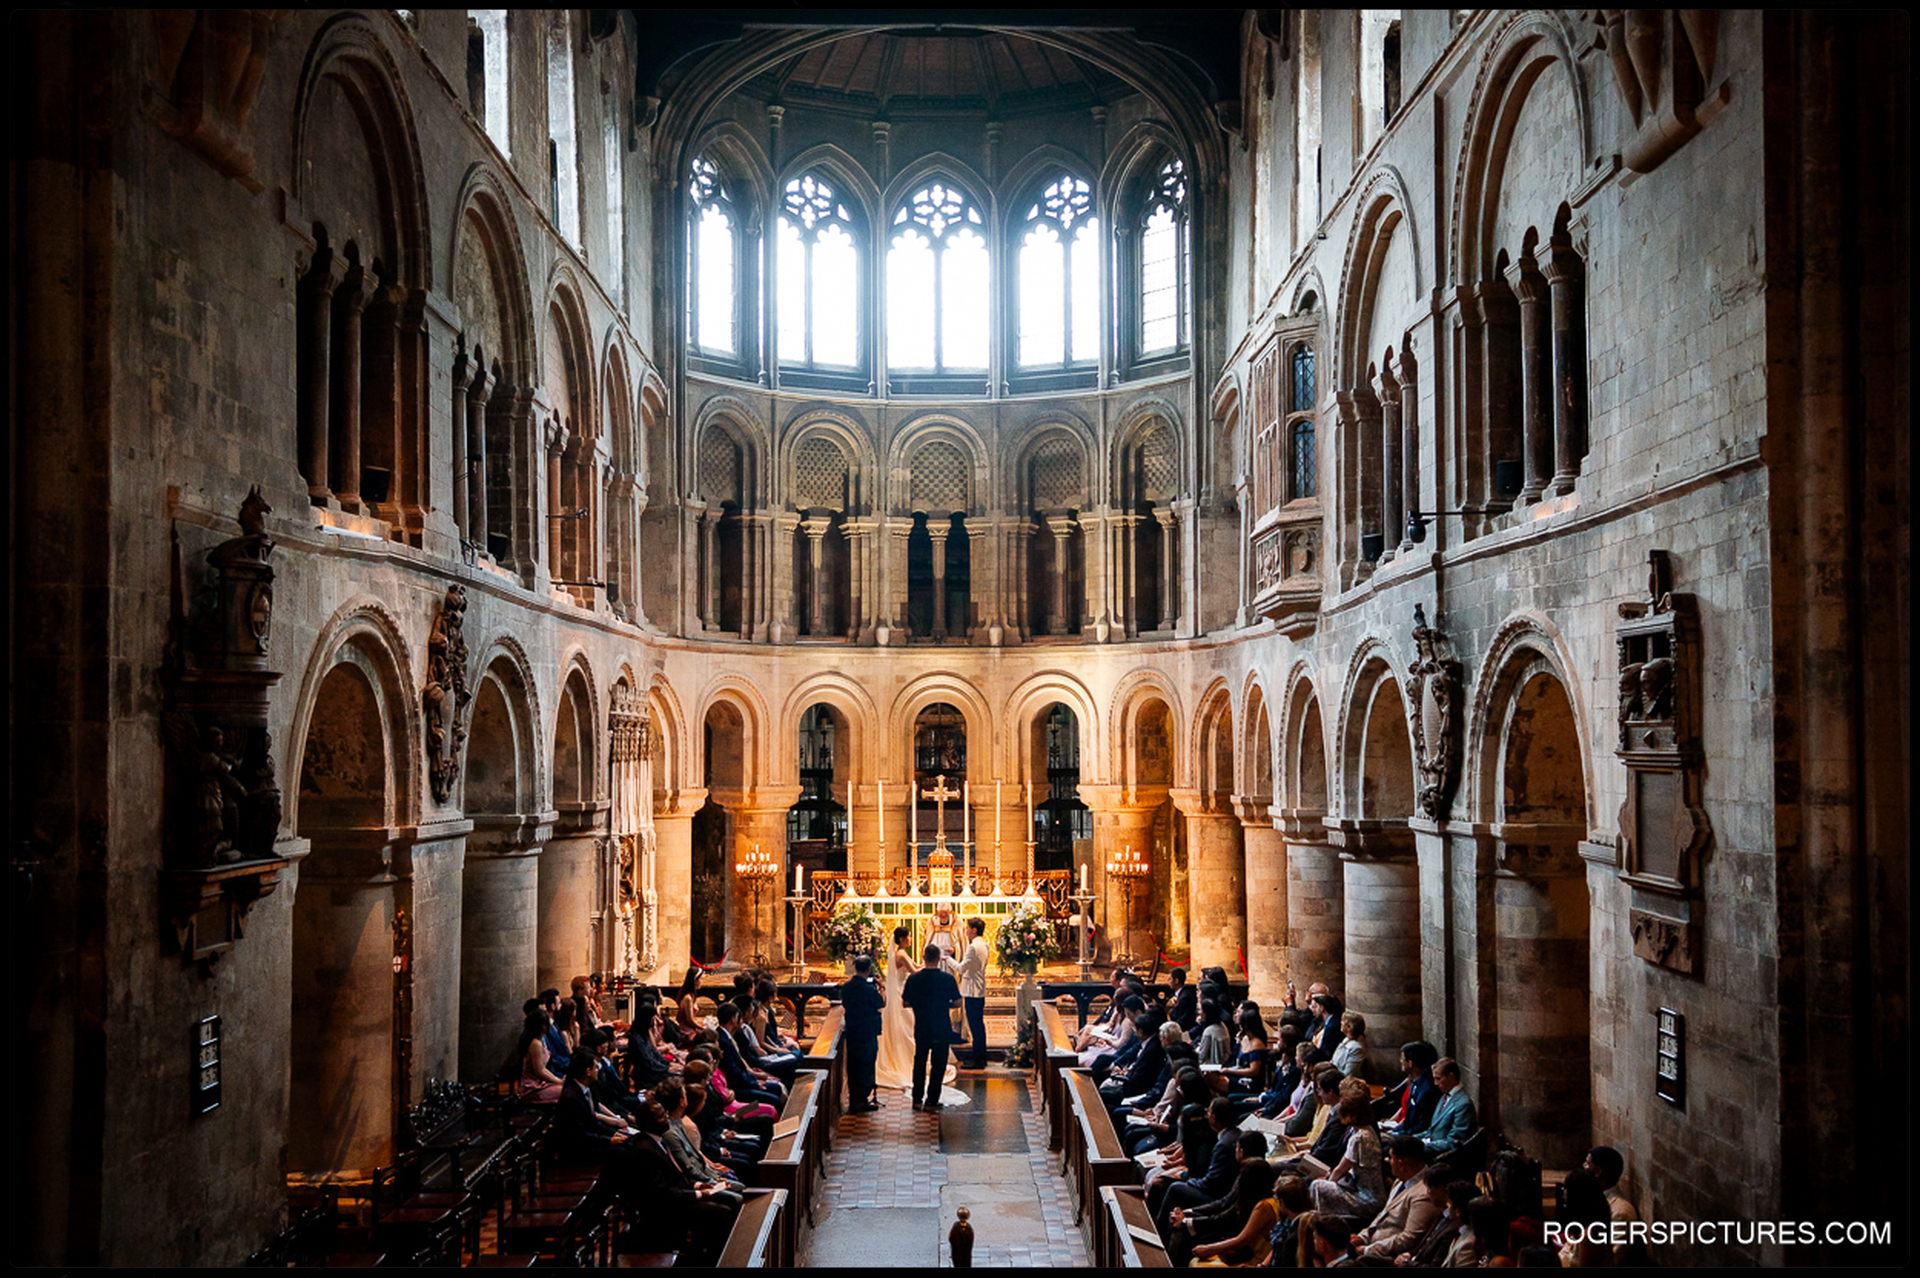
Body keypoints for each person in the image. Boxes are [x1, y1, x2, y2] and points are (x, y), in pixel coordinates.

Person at [877, 926, 960, 1099]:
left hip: (917, 1011)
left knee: (920, 1055)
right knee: (930, 1055)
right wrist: (932, 966)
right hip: (931, 1017)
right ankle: (932, 1099)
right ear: (901, 939)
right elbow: (914, 970)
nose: (910, 939)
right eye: (908, 937)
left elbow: (916, 967)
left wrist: (928, 966)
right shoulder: (901, 955)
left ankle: (917, 1097)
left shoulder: (902, 954)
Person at [1351, 1136, 1443, 1260]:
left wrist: (1367, 1250)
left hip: (1386, 1257)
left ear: (1401, 1163)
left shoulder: (1424, 1194)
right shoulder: (1400, 1181)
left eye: (1391, 1158)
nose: (1388, 1161)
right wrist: (1363, 1237)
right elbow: (1383, 1215)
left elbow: (1409, 1238)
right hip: (1371, 1243)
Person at [900, 943, 962, 1111]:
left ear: (924, 958)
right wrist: (943, 1004)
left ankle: (917, 1099)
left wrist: (920, 1004)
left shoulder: (914, 978)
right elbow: (957, 1002)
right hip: (941, 1026)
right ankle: (932, 1101)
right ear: (938, 960)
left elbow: (905, 1002)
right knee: (938, 1064)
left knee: (919, 1061)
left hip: (922, 1025)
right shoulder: (947, 978)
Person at [840, 953, 886, 1113]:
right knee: (866, 1065)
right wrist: (881, 987)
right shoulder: (868, 988)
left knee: (854, 1065)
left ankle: (855, 1099)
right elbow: (881, 1003)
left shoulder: (847, 986)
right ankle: (861, 1100)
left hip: (852, 1030)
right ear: (869, 969)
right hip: (867, 1030)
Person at [1582, 1146, 1641, 1265]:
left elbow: (1613, 1259)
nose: (1583, 1167)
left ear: (1598, 1172)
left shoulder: (1621, 1213)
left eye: (1587, 1164)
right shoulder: (1596, 1199)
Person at [1422, 1058, 1477, 1161]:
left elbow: (1454, 1141)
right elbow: (1431, 1130)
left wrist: (1421, 1146)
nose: (1435, 1083)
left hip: (1444, 1157)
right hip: (1432, 1148)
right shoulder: (1444, 1097)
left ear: (1451, 1076)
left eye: (1438, 1079)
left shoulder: (1463, 1104)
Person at [957, 917, 990, 1069]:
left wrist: (945, 959)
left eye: (967, 928)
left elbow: (961, 969)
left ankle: (978, 1060)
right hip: (979, 988)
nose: (965, 931)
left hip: (971, 990)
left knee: (975, 1026)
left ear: (974, 930)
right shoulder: (983, 944)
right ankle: (980, 1057)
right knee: (978, 1026)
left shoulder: (972, 947)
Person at [1331, 1012, 1368, 1079]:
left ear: (1349, 1027)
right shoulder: (1346, 1039)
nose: (1341, 1023)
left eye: (1343, 1021)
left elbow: (1349, 1073)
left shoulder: (1356, 1048)